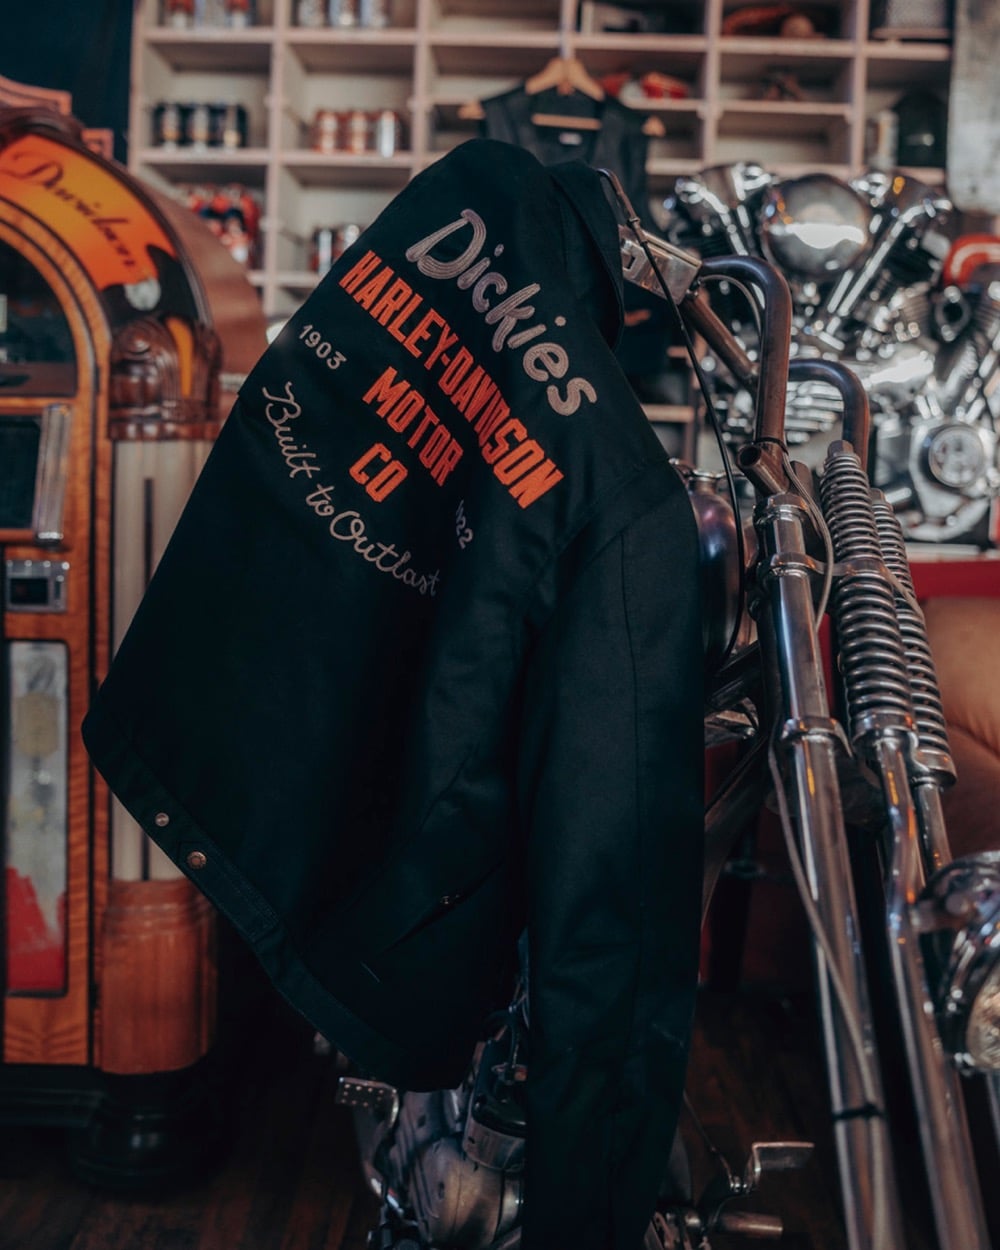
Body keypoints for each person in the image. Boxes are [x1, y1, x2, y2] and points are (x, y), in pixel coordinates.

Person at [83, 138, 705, 1249]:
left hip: (215, 736)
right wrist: (595, 1197)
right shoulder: (621, 493)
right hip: (385, 879)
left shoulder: (379, 280)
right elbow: (609, 879)